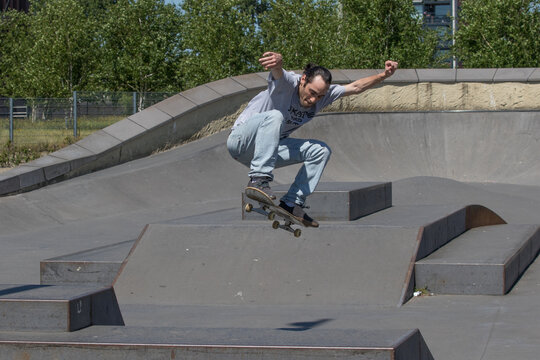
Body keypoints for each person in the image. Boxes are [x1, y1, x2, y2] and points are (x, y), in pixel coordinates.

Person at [227, 52, 398, 227]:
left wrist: (384, 75)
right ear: (303, 80)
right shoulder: (287, 83)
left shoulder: (324, 95)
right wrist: (277, 63)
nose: (313, 100)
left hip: (267, 150)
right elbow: (278, 72)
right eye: (312, 93)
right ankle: (258, 179)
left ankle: (292, 203)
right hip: (241, 141)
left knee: (320, 151)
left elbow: (356, 87)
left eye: (320, 96)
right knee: (275, 116)